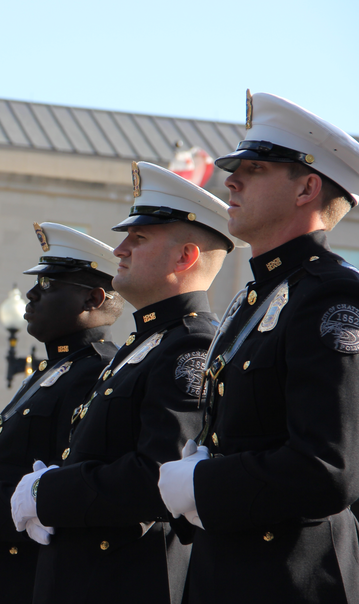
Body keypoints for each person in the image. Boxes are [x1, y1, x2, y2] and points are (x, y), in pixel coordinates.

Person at [158, 92, 359, 604]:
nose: (232, 180)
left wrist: (206, 483)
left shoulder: (330, 296)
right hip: (227, 569)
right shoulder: (259, 298)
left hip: (290, 577)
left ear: (307, 188)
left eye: (256, 168)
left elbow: (327, 469)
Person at [11, 161, 238, 604]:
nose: (119, 250)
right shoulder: (147, 344)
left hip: (123, 582)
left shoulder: (190, 346)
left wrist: (48, 491)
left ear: (184, 256)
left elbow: (158, 476)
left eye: (138, 238)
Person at [0, 223, 122, 602]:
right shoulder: (52, 369)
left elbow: (58, 486)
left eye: (50, 285)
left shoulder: (96, 373)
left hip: (23, 575)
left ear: (94, 298)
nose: (32, 294)